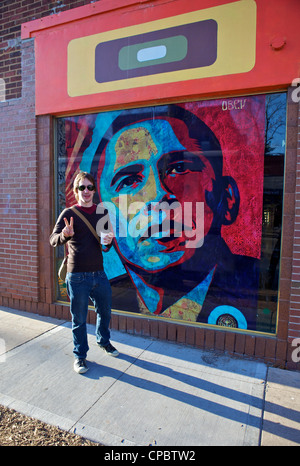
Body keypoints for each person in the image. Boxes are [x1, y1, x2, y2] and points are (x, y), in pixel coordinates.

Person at [87, 105, 260, 330]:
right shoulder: (107, 297)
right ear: (105, 219)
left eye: (178, 168)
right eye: (128, 181)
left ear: (227, 198)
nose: (156, 195)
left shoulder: (253, 286)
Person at [50, 171, 118, 374]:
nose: (86, 191)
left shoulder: (101, 212)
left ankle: (103, 341)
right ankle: (80, 356)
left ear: (94, 191)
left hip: (98, 273)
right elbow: (52, 240)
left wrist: (108, 243)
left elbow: (106, 243)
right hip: (77, 275)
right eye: (82, 187)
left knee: (105, 312)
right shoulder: (68, 214)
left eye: (90, 187)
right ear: (75, 190)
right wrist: (64, 234)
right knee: (78, 319)